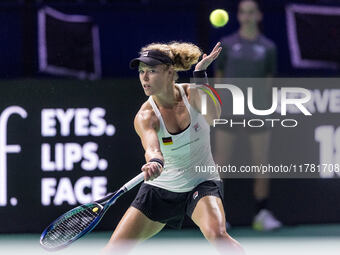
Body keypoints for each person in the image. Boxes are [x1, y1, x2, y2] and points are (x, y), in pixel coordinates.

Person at [102, 41, 245, 254]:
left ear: (170, 72)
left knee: (218, 234)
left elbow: (213, 117)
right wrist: (154, 161)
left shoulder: (192, 94)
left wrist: (200, 74)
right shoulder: (146, 116)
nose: (145, 78)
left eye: (152, 71)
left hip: (201, 181)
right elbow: (152, 148)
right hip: (160, 190)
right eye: (141, 72)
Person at [214, 0, 282, 231]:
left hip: (258, 110)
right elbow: (219, 77)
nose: (247, 16)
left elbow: (269, 81)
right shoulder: (227, 44)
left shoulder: (269, 47)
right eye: (243, 12)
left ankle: (261, 214)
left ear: (259, 15)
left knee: (261, 162)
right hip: (230, 110)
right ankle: (217, 216)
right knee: (221, 163)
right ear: (239, 16)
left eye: (252, 12)